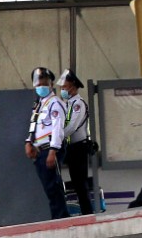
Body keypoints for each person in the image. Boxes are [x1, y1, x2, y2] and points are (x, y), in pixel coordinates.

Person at [25, 67, 70, 220]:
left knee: (53, 187)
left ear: (51, 84)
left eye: (44, 83)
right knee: (48, 187)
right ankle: (59, 217)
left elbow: (57, 129)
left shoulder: (54, 103)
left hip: (50, 149)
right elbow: (34, 124)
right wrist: (29, 142)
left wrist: (53, 151)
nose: (41, 87)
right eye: (38, 84)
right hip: (40, 150)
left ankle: (61, 218)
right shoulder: (39, 104)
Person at [56, 70, 95, 215]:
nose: (62, 90)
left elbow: (71, 126)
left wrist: (57, 137)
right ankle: (85, 212)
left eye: (64, 87)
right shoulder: (69, 104)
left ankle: (87, 213)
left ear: (72, 87)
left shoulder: (78, 104)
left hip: (79, 147)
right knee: (76, 181)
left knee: (80, 183)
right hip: (72, 148)